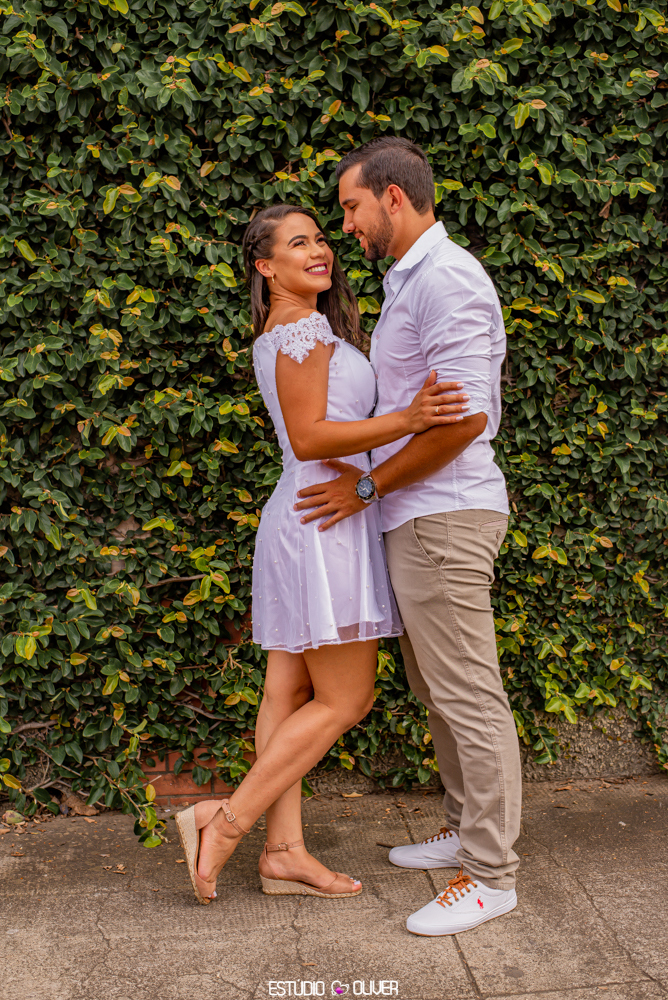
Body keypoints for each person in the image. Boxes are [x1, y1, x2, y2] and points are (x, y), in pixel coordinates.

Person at [175, 203, 469, 905]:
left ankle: (284, 852)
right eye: (298, 242)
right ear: (264, 265)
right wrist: (407, 418)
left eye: (322, 239)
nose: (320, 251)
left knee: (288, 690)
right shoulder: (301, 331)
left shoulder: (296, 330)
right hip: (321, 519)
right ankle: (226, 821)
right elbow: (309, 436)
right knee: (347, 696)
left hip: (311, 514)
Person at [294, 137, 522, 936]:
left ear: (393, 198)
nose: (345, 225)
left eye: (351, 207)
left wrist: (367, 485)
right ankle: (464, 827)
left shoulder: (448, 279)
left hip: (444, 514)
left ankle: (491, 874)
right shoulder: (413, 281)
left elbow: (466, 420)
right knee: (438, 691)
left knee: (468, 694)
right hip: (416, 517)